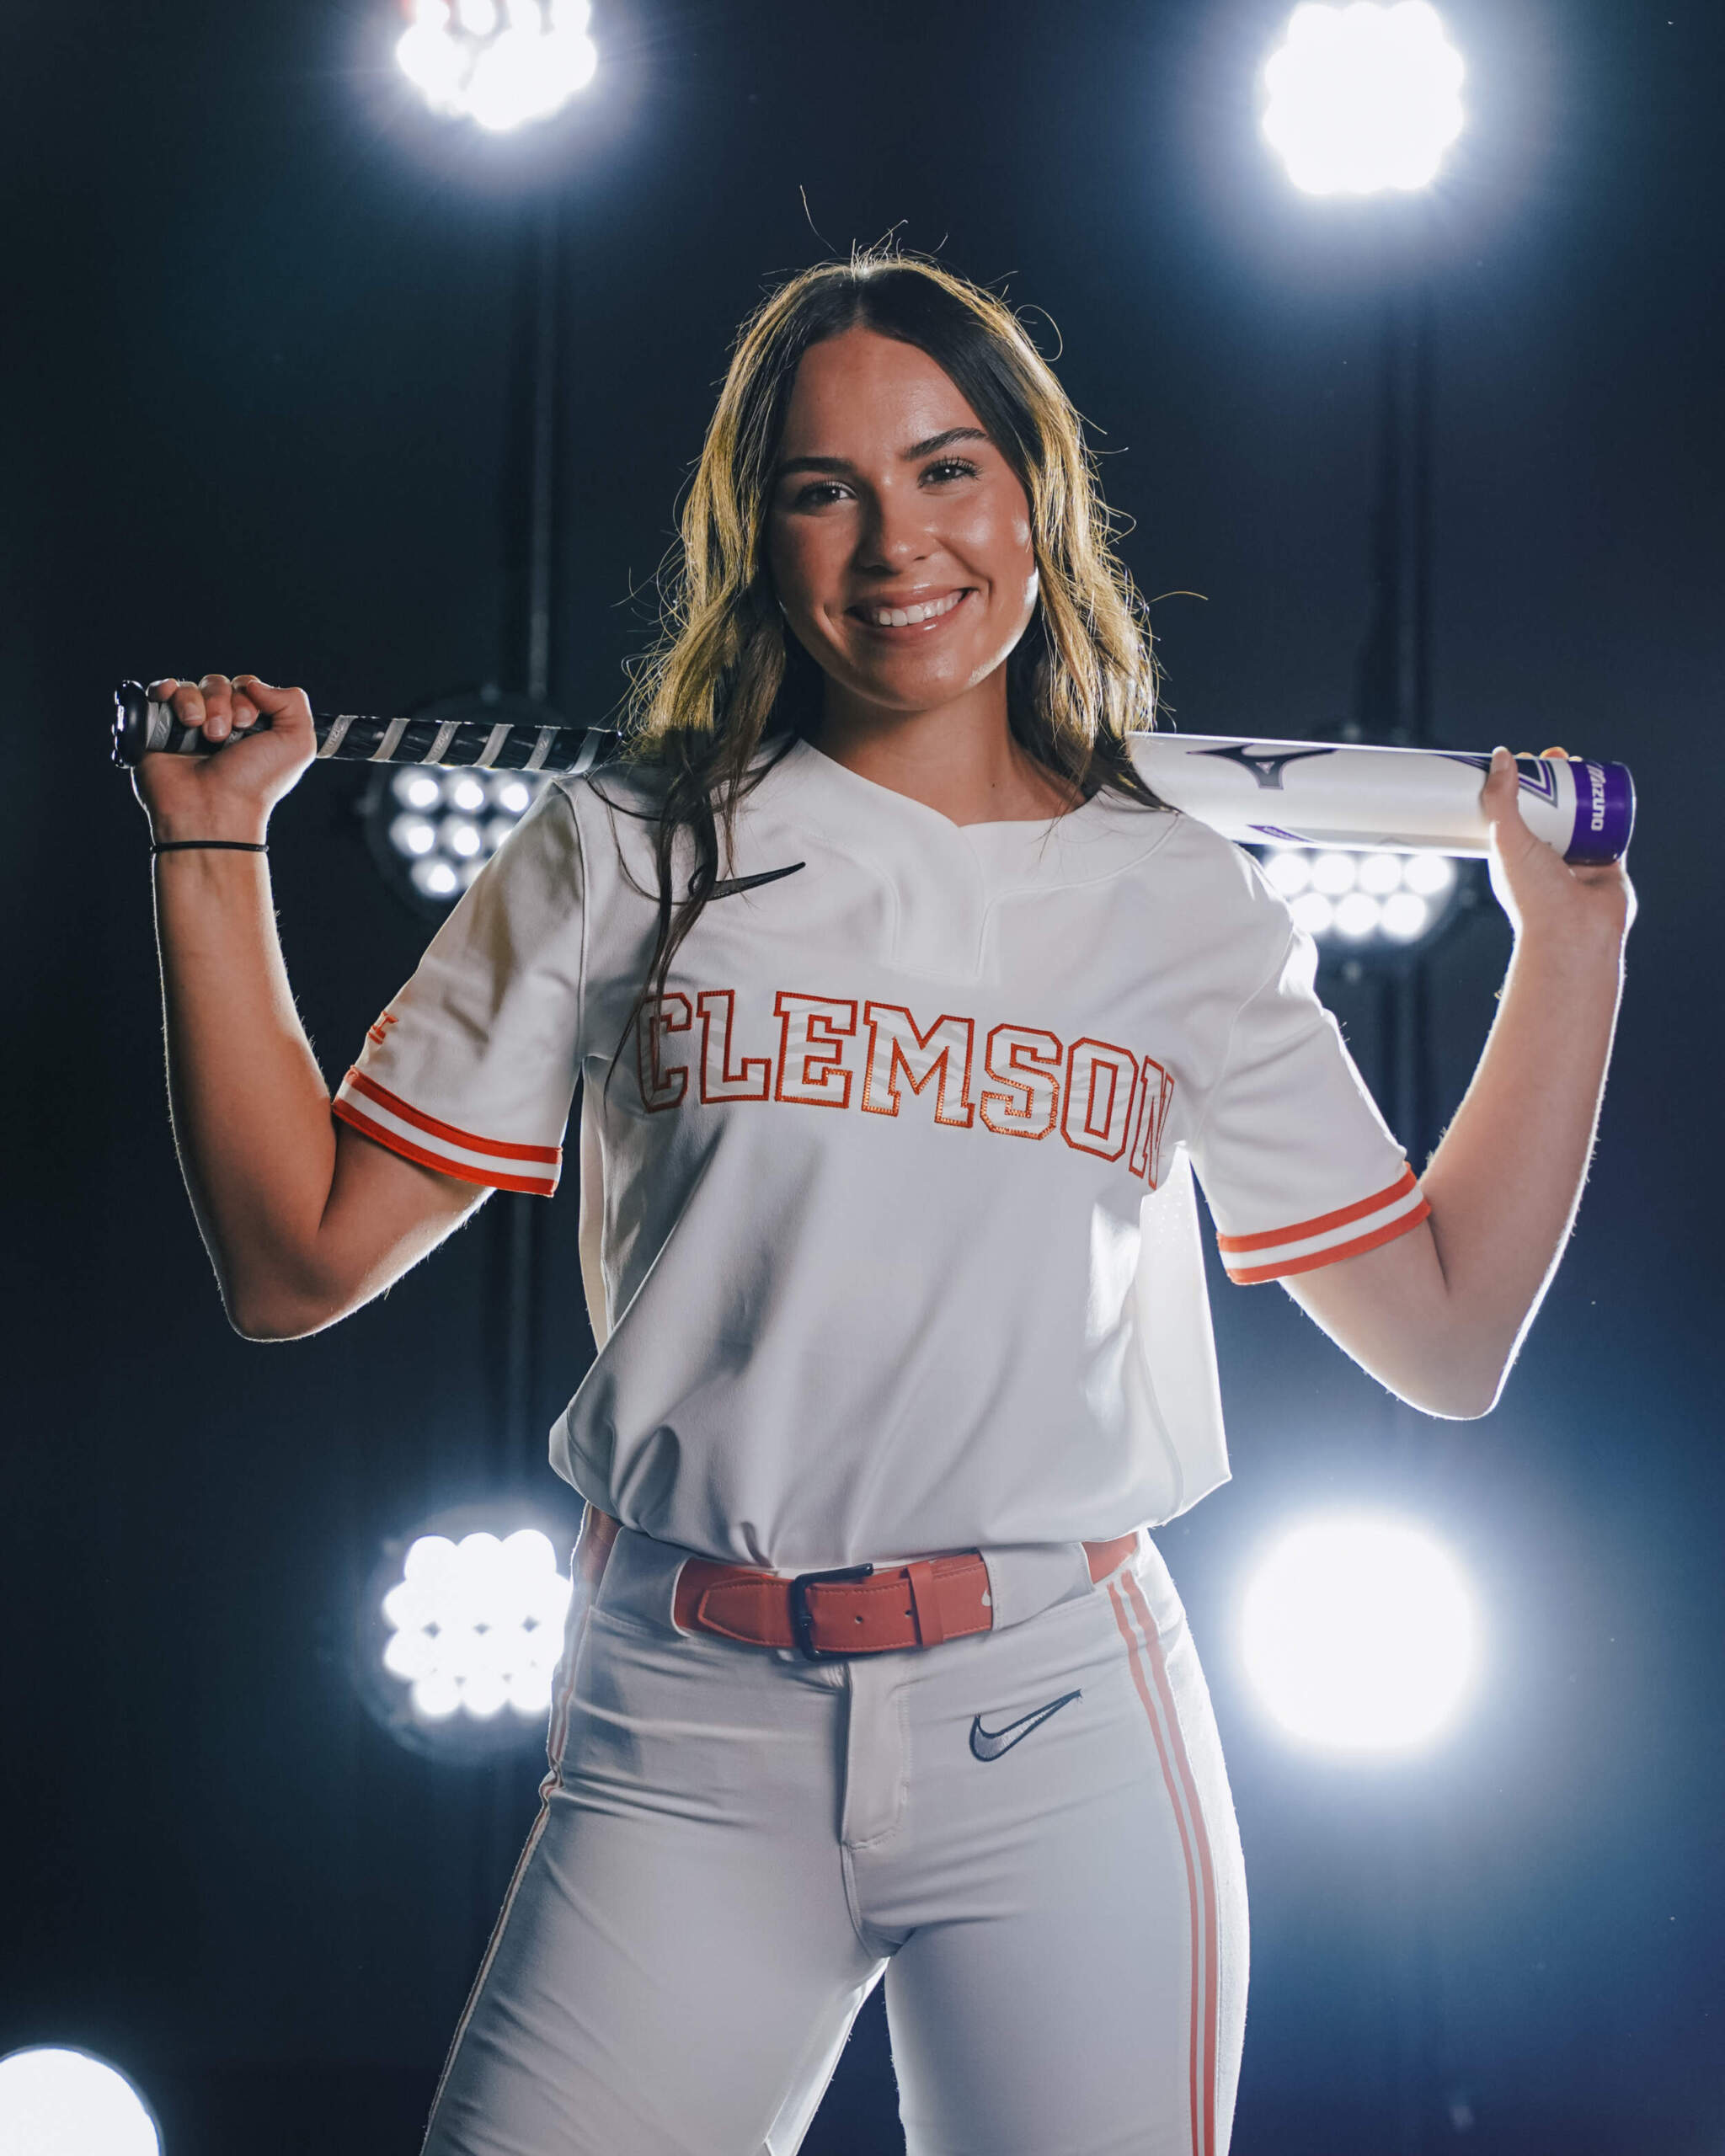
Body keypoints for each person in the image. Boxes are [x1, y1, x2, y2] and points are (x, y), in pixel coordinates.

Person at [135, 254, 1633, 2156]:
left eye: (945, 470)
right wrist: (208, 840)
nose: (894, 544)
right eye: (821, 489)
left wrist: (1570, 943)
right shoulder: (623, 848)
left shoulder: (1179, 901)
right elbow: (294, 1260)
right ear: (755, 540)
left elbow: (1445, 1333)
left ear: (1033, 498)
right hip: (681, 1723)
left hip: (1056, 1719)